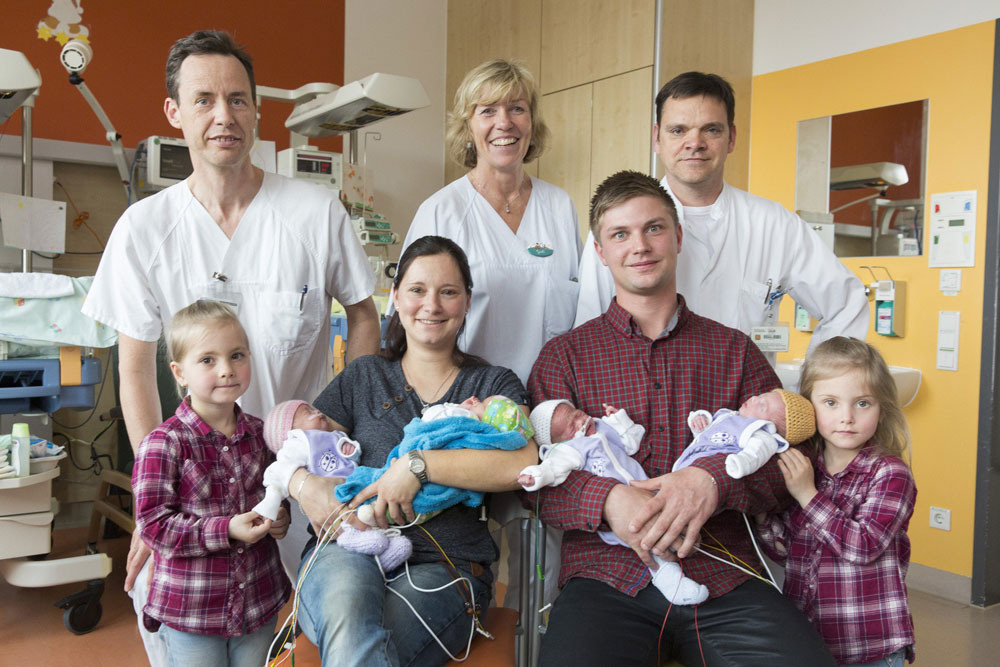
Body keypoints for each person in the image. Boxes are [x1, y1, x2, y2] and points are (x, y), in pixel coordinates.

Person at [81, 30, 379, 666]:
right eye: (205, 100)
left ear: (256, 110)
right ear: (175, 113)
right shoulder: (145, 229)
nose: (224, 116)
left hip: (298, 490)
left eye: (239, 100)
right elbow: (132, 364)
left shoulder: (313, 212)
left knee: (301, 641)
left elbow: (362, 311)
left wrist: (338, 435)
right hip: (189, 499)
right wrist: (152, 495)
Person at [528, 170, 834, 665]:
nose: (640, 246)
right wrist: (608, 500)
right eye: (620, 234)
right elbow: (535, 482)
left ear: (678, 238)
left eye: (654, 228)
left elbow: (791, 462)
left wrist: (711, 482)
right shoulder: (563, 358)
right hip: (607, 579)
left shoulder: (734, 350)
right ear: (600, 251)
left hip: (722, 570)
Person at [285, 236, 539, 665]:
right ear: (397, 298)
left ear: (466, 302)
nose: (432, 305)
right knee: (348, 613)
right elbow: (299, 444)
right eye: (418, 290)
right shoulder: (364, 376)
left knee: (369, 644)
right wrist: (301, 484)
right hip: (348, 550)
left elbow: (522, 461)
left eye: (448, 292)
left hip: (446, 568)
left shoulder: (493, 385)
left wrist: (418, 467)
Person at [401, 57, 581, 606]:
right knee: (471, 562)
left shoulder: (559, 206)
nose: (504, 122)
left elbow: (583, 313)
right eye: (488, 110)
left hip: (550, 412)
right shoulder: (443, 211)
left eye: (517, 108)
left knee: (545, 562)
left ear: (532, 122)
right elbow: (413, 320)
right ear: (469, 125)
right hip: (469, 414)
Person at [574, 71, 869, 363]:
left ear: (731, 138)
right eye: (678, 130)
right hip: (638, 403)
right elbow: (589, 331)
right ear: (657, 138)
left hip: (747, 404)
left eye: (711, 130)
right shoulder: (617, 226)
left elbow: (846, 305)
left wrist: (814, 391)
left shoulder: (774, 224)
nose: (695, 143)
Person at [132, 301, 290, 667]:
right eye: (208, 360)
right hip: (193, 611)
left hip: (258, 601)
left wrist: (280, 518)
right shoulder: (163, 443)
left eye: (237, 355)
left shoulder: (260, 433)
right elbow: (154, 527)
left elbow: (275, 493)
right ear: (179, 371)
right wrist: (226, 530)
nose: (226, 370)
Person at [755, 337, 916, 666]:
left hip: (872, 647)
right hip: (810, 644)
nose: (847, 417)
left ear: (882, 407)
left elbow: (863, 546)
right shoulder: (806, 468)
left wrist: (806, 495)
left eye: (862, 403)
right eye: (830, 402)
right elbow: (784, 551)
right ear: (808, 406)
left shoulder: (890, 475)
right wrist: (761, 510)